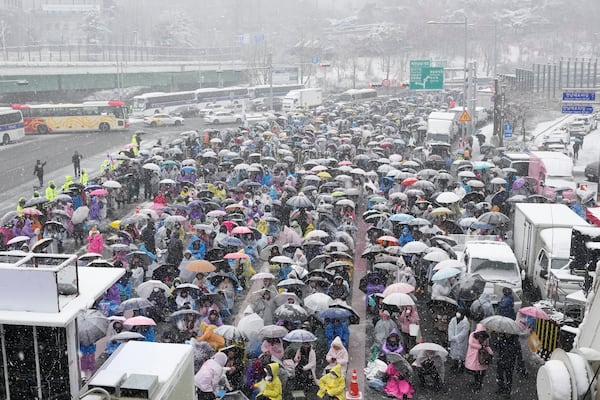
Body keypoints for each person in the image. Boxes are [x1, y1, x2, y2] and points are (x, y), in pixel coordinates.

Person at [465, 323, 493, 392]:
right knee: (480, 371)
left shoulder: (473, 335)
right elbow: (486, 346)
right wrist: (485, 349)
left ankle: (477, 383)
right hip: (480, 356)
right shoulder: (485, 336)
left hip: (478, 356)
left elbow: (471, 343)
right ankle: (478, 383)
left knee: (477, 371)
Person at [495, 333, 520, 398]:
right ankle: (501, 388)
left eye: (509, 333)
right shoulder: (501, 339)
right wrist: (497, 341)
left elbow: (518, 353)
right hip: (501, 360)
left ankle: (508, 391)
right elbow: (497, 348)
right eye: (506, 332)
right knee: (499, 375)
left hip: (510, 362)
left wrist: (518, 364)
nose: (508, 334)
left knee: (509, 377)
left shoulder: (515, 341)